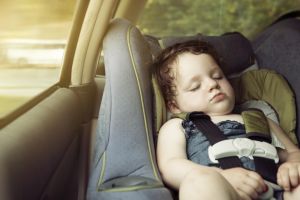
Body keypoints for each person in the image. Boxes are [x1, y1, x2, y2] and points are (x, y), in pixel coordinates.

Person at [153, 40, 300, 200]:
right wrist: (221, 176)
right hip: (226, 191)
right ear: (174, 106)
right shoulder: (177, 126)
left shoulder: (260, 119)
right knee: (197, 182)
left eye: (218, 76)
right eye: (195, 86)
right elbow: (170, 166)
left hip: (277, 191)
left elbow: (293, 153)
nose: (212, 84)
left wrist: (292, 166)